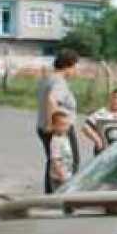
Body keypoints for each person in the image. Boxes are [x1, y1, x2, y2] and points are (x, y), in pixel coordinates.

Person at [36, 50, 80, 193]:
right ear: (68, 66)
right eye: (74, 67)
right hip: (59, 128)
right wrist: (51, 123)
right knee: (70, 160)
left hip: (43, 127)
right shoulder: (59, 82)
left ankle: (50, 193)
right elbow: (51, 100)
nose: (75, 71)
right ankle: (65, 193)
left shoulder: (47, 79)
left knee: (53, 160)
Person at [82, 88, 117, 155]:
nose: (116, 101)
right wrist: (97, 140)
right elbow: (85, 127)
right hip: (104, 150)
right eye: (115, 98)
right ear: (111, 98)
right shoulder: (102, 112)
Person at [48, 111, 75, 192]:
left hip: (67, 175)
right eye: (62, 125)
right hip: (59, 178)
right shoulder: (56, 141)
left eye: (67, 125)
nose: (65, 127)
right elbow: (56, 160)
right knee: (59, 199)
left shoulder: (65, 138)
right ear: (54, 126)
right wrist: (62, 176)